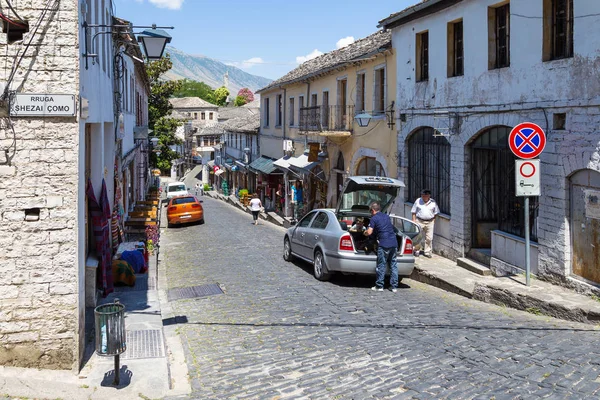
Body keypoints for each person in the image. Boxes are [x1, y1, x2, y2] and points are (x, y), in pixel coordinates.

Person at [363, 201, 399, 293]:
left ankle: (379, 286)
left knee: (381, 265)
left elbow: (370, 232)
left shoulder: (374, 218)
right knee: (393, 265)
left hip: (384, 244)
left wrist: (365, 232)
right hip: (393, 243)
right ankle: (394, 286)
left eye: (370, 211)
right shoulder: (386, 217)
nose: (370, 213)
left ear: (373, 210)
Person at [411, 189, 440, 258]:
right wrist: (414, 221)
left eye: (425, 196)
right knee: (418, 236)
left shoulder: (433, 202)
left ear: (428, 196)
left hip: (430, 222)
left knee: (429, 238)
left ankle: (427, 252)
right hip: (419, 221)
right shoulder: (418, 201)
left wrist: (433, 220)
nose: (423, 197)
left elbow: (436, 212)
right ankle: (416, 250)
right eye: (422, 195)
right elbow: (413, 211)